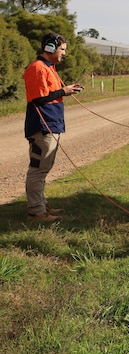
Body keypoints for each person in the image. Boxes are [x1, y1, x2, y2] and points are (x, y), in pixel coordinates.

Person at [23, 33, 83, 222]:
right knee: (38, 169)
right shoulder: (38, 68)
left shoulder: (49, 68)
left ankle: (42, 205)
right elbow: (39, 98)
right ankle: (36, 211)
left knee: (44, 168)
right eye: (62, 49)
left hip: (51, 123)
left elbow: (49, 93)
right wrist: (63, 91)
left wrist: (65, 90)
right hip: (42, 125)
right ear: (50, 48)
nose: (64, 53)